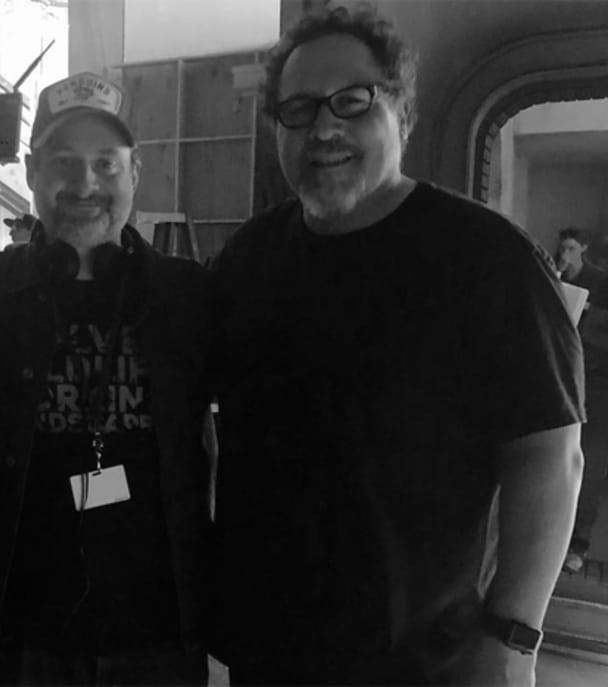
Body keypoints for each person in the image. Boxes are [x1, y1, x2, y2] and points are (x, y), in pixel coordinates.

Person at [209, 5, 584, 686]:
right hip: (268, 651)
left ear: (401, 114)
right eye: (298, 109)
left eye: (352, 101)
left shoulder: (489, 261)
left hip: (424, 659)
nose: (324, 127)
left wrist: (513, 638)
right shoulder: (249, 259)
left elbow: (551, 458)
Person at [0, 72, 212, 686]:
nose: (85, 184)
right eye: (64, 162)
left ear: (135, 174)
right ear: (32, 172)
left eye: (106, 164)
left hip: (158, 633)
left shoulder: (187, 298)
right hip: (17, 637)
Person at [556, 227, 608, 572]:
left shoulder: (600, 282)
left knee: (587, 462)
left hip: (596, 381)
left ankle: (575, 543)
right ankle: (567, 543)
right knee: (572, 460)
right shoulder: (587, 279)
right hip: (579, 376)